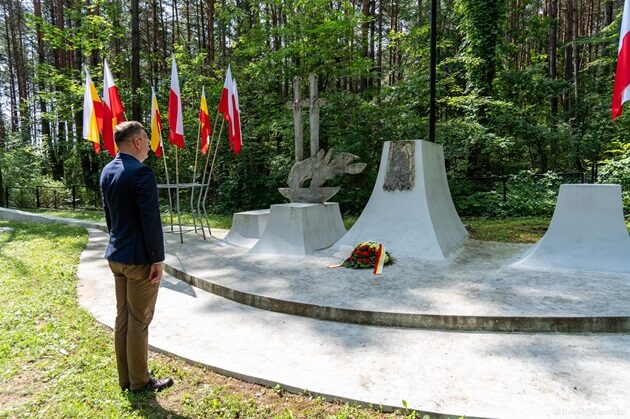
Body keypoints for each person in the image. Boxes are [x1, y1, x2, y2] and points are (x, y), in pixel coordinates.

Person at [100, 121, 173, 392]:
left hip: (116, 254)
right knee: (139, 321)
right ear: (137, 142)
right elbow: (150, 220)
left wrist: (117, 241)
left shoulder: (107, 171)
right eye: (146, 139)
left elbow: (110, 216)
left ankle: (126, 378)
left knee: (124, 319)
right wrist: (157, 259)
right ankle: (140, 382)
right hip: (139, 259)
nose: (150, 146)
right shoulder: (142, 173)